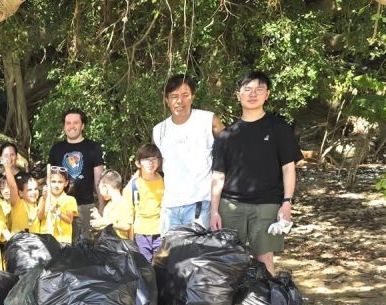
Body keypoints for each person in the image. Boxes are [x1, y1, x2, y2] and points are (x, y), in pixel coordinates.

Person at [211, 70, 302, 275]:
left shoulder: (279, 128)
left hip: (267, 205)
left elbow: (288, 167)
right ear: (238, 95)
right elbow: (218, 176)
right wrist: (214, 211)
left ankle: (266, 304)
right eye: (247, 89)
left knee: (264, 258)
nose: (253, 94)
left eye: (259, 89)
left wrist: (287, 202)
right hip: (230, 206)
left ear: (267, 94)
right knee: (230, 259)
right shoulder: (227, 135)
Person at [153, 74, 225, 231]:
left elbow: (229, 152)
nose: (180, 101)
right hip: (170, 207)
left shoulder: (208, 121)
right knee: (171, 254)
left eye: (185, 95)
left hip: (200, 204)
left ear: (193, 97)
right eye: (174, 96)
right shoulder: (158, 130)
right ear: (167, 100)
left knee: (197, 254)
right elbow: (154, 165)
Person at [47, 109, 105, 243]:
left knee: (86, 248)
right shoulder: (56, 149)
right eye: (68, 123)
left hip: (85, 207)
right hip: (59, 206)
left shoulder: (93, 147)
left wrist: (101, 207)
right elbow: (49, 178)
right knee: (60, 247)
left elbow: (99, 179)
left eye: (75, 122)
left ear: (82, 125)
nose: (71, 126)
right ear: (64, 126)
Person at [125, 144, 166, 261]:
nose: (151, 162)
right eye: (146, 159)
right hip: (141, 234)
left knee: (161, 266)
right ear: (138, 163)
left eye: (154, 159)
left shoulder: (163, 179)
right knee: (145, 266)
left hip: (161, 232)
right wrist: (131, 241)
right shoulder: (133, 185)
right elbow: (130, 215)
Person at [89, 170, 132, 239]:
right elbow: (106, 223)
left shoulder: (123, 203)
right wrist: (98, 218)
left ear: (106, 187)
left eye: (100, 189)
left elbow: (126, 226)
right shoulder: (108, 205)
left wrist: (105, 222)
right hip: (108, 242)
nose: (100, 193)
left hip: (119, 245)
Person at [42, 166, 78, 244]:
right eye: (53, 181)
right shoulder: (44, 198)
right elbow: (40, 217)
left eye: (60, 182)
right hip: (46, 239)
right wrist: (44, 200)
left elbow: (69, 220)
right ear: (48, 182)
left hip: (63, 241)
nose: (56, 185)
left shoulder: (70, 199)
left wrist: (56, 212)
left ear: (66, 183)